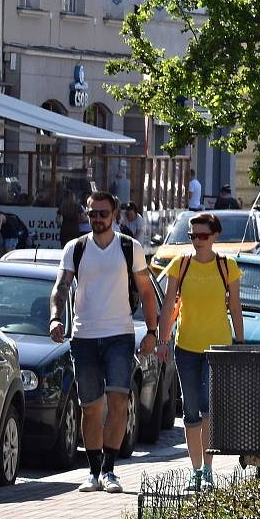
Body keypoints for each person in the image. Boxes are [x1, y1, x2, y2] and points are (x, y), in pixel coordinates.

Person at [49, 191, 158, 494]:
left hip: (119, 336)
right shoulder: (76, 248)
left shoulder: (129, 247)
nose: (97, 219)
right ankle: (93, 471)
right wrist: (56, 318)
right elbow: (60, 288)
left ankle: (110, 470)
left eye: (102, 213)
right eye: (92, 213)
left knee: (119, 402)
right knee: (90, 408)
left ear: (115, 214)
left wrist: (151, 332)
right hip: (83, 337)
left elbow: (147, 292)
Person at [156, 213, 244, 491]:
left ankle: (208, 470)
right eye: (193, 236)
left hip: (217, 349)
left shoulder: (226, 265)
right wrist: (162, 339)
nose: (197, 241)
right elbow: (169, 304)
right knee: (190, 412)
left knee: (208, 411)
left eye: (203, 236)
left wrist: (240, 344)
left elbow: (236, 307)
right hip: (186, 347)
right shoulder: (179, 265)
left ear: (215, 235)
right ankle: (195, 472)